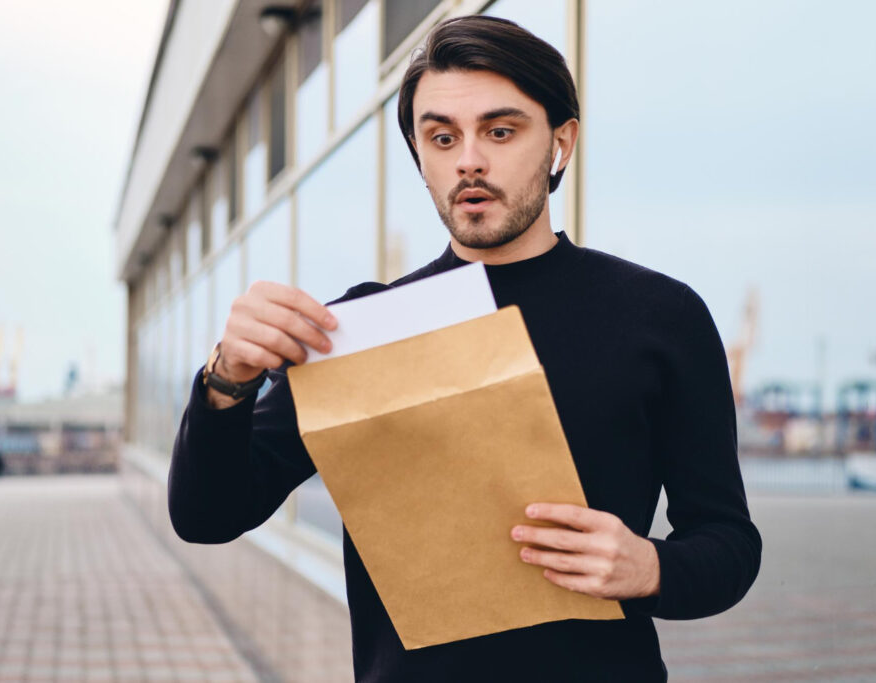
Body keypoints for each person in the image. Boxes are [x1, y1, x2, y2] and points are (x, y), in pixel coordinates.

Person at [169, 15, 761, 682]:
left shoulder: (660, 316)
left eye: (500, 131)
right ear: (421, 157)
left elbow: (729, 544)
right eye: (442, 137)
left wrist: (650, 567)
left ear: (561, 142)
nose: (468, 159)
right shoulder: (362, 331)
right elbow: (206, 516)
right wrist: (226, 380)